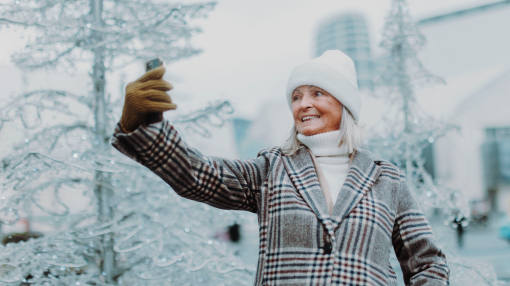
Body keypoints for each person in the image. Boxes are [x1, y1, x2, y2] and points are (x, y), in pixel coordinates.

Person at [112, 50, 449, 285]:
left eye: (317, 93)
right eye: (296, 96)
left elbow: (426, 261)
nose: (304, 104)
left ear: (344, 104)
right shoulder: (272, 169)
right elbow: (198, 175)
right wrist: (141, 125)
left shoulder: (386, 178)